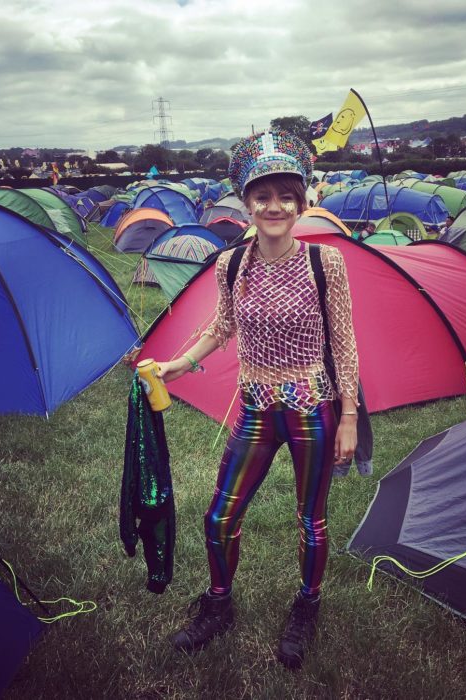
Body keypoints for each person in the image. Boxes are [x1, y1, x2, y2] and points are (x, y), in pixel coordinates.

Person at [156, 130, 359, 669]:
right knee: (220, 516)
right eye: (262, 196)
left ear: (302, 201)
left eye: (286, 195)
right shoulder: (231, 264)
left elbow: (344, 343)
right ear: (246, 203)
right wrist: (180, 362)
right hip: (255, 411)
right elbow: (221, 324)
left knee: (310, 521)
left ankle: (307, 606)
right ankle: (218, 604)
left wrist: (349, 418)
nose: (275, 206)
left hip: (311, 409)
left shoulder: (325, 264)